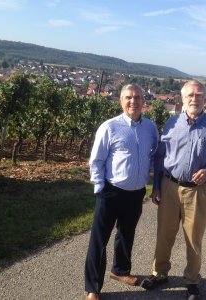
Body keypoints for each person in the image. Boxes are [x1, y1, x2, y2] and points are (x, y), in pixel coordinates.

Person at [140, 80, 206, 299]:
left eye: (199, 95)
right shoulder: (171, 124)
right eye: (190, 95)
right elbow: (161, 157)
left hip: (196, 191)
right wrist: (156, 186)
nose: (194, 98)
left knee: (193, 238)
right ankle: (159, 273)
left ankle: (191, 280)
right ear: (182, 98)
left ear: (205, 99)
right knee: (164, 234)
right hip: (169, 186)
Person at [84, 84, 159, 300]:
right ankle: (93, 288)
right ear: (121, 101)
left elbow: (153, 156)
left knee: (127, 235)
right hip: (111, 191)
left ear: (144, 101)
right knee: (99, 240)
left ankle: (120, 271)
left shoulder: (150, 128)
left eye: (137, 97)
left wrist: (154, 181)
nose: (133, 101)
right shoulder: (110, 127)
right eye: (128, 97)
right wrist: (100, 188)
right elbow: (96, 160)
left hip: (136, 193)